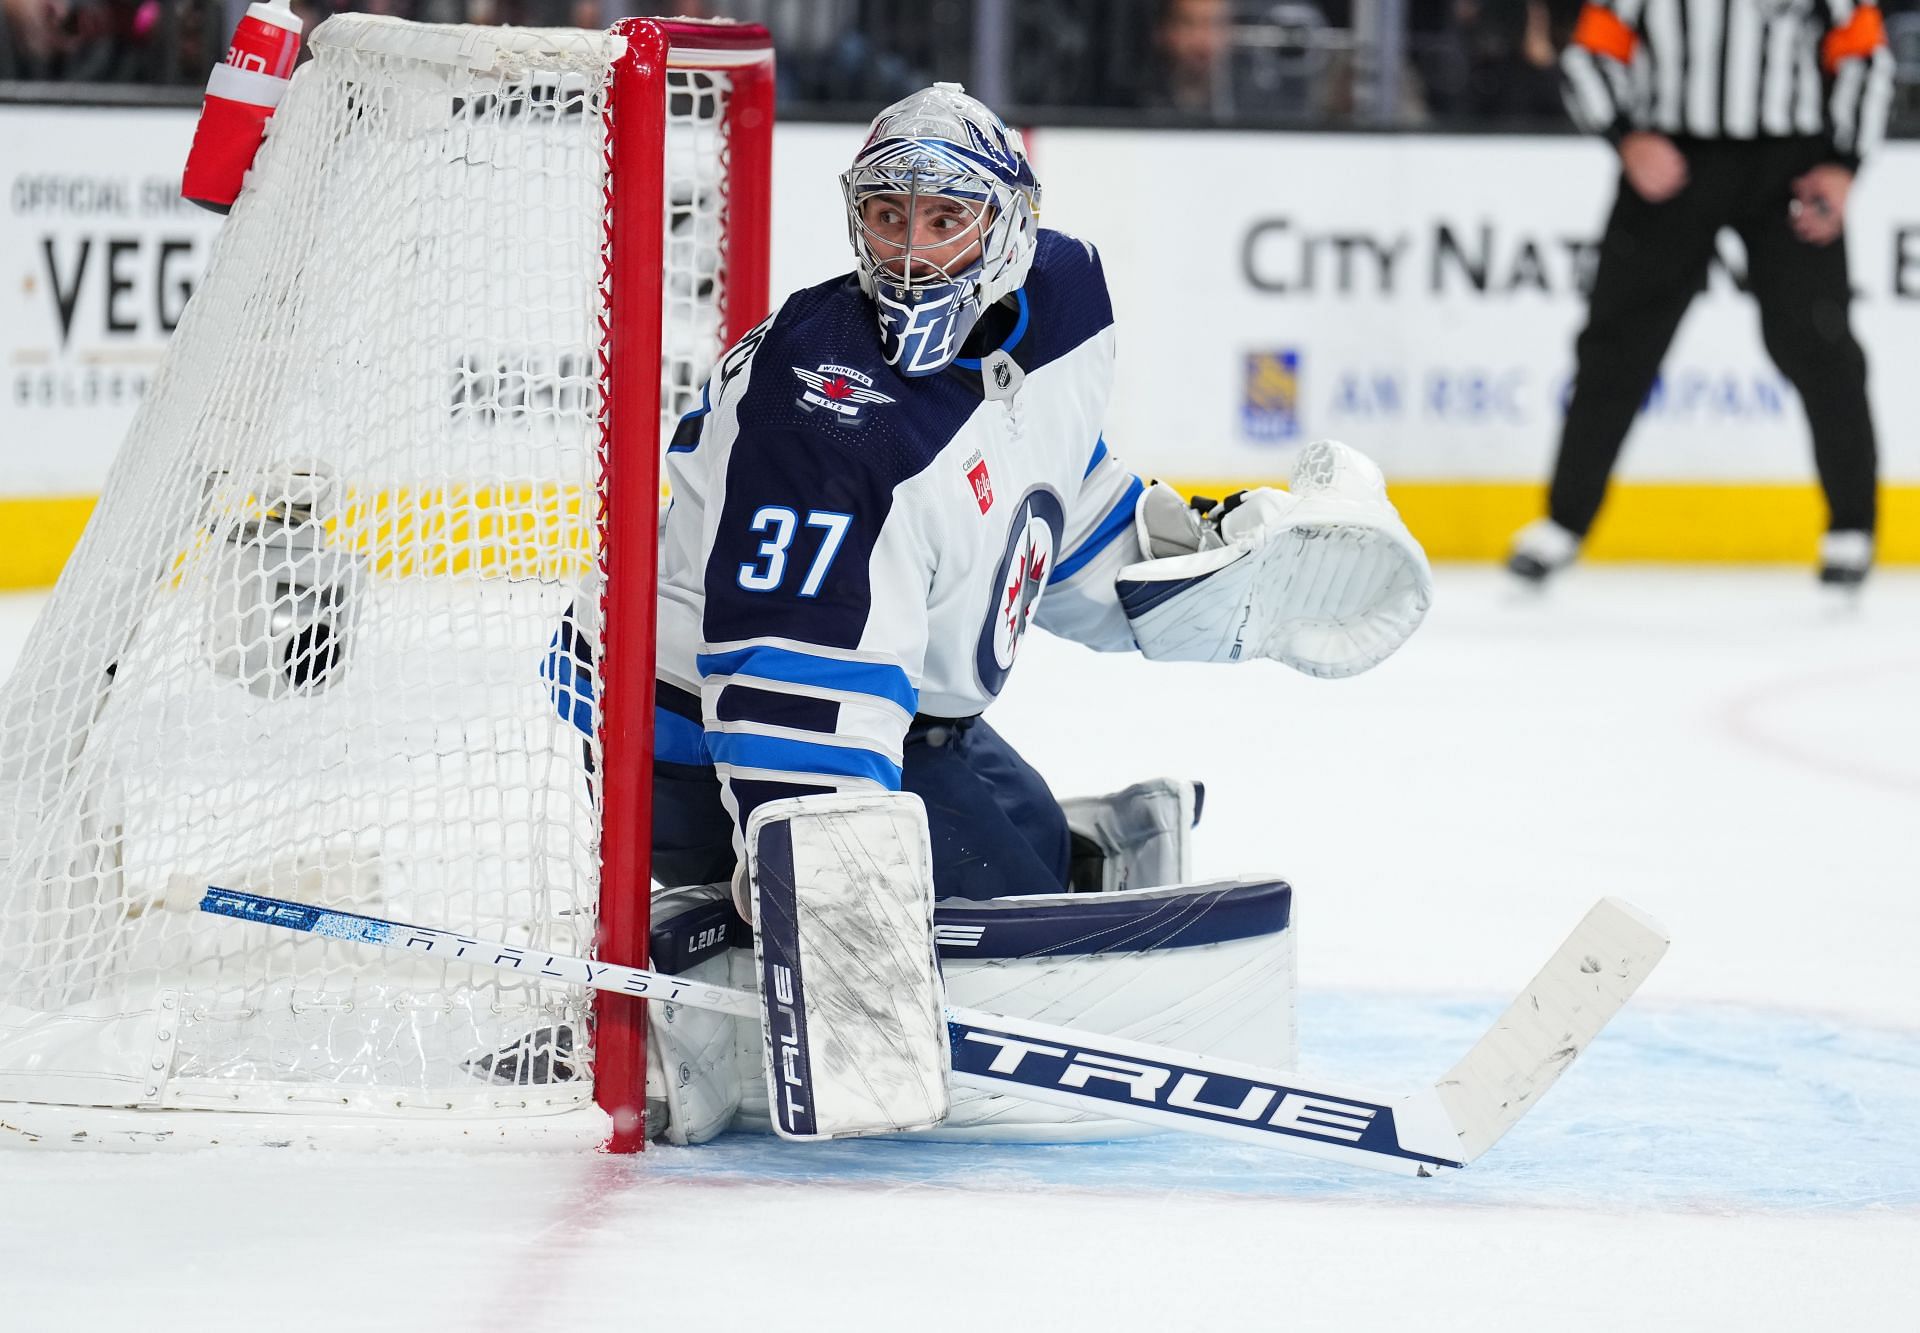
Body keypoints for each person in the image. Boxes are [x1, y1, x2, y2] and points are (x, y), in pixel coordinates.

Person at [599, 82, 1429, 917]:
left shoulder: (1056, 303)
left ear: (1008, 226)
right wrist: (823, 894)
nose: (912, 255)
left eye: (943, 221)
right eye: (889, 217)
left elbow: (1042, 504)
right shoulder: (828, 418)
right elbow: (787, 693)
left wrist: (1186, 558)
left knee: (1030, 834)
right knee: (1000, 900)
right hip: (683, 734)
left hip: (903, 699)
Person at [1508, 0, 1894, 588]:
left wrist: (1844, 163)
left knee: (1817, 339)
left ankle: (1852, 526)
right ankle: (1564, 520)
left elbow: (1863, 52)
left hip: (1790, 165)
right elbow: (1590, 52)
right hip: (1673, 159)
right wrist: (1625, 136)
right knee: (1616, 344)